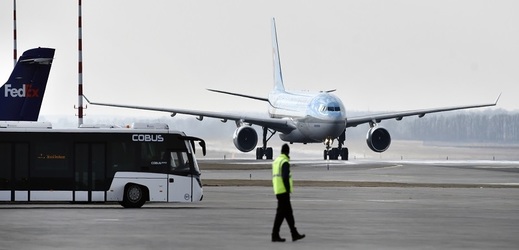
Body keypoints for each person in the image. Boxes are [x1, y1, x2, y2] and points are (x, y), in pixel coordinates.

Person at [271, 144, 305, 242]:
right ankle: (276, 234)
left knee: (286, 214)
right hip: (283, 191)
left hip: (278, 190)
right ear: (288, 152)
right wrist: (288, 189)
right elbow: (285, 177)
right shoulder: (284, 162)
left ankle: (293, 233)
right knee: (283, 214)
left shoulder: (277, 161)